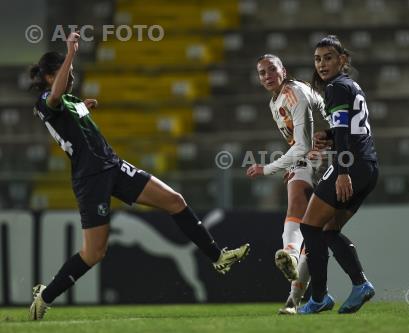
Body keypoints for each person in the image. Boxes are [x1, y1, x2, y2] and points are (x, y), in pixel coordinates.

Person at [28, 32, 250, 320]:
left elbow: (70, 113)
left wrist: (86, 106)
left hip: (113, 166)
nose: (71, 74)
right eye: (65, 71)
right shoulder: (45, 99)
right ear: (48, 76)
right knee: (94, 253)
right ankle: (45, 296)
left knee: (175, 200)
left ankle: (218, 257)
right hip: (90, 178)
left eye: (71, 70)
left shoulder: (70, 100)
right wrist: (71, 52)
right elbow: (55, 99)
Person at [297, 35, 378, 314]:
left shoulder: (336, 88)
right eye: (317, 59)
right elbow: (352, 130)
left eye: (328, 57)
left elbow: (345, 132)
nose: (321, 64)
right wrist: (329, 136)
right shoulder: (350, 86)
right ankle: (360, 284)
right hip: (368, 167)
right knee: (330, 230)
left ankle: (319, 298)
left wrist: (342, 171)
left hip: (351, 165)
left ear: (343, 60)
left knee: (310, 227)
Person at [246, 54, 325, 314]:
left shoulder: (294, 94)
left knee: (301, 211)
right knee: (315, 230)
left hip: (329, 152)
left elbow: (304, 145)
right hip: (311, 154)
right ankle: (296, 298)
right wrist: (290, 163)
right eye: (262, 72)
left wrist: (267, 168)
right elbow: (297, 145)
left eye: (272, 70)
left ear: (284, 71)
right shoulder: (275, 101)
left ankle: (290, 253)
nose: (267, 75)